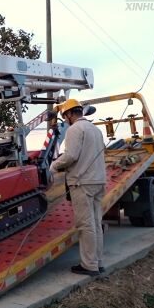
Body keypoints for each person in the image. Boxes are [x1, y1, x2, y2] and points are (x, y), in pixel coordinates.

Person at [50, 99, 106, 276]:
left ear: (69, 114)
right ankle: (98, 262)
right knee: (96, 223)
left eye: (64, 116)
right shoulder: (95, 130)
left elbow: (71, 156)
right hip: (98, 181)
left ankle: (89, 265)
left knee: (85, 225)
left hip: (82, 183)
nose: (65, 119)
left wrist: (54, 165)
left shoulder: (74, 129)